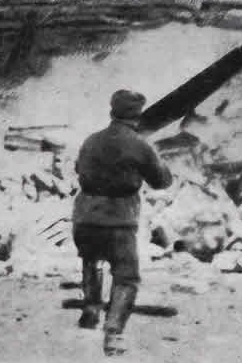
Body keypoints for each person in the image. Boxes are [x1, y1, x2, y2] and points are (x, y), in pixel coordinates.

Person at [72, 89, 172, 356]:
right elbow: (161, 181)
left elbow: (78, 169)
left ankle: (91, 309)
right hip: (119, 218)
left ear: (112, 111)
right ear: (137, 116)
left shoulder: (91, 140)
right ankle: (114, 332)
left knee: (91, 261)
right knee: (126, 276)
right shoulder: (140, 144)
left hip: (85, 215)